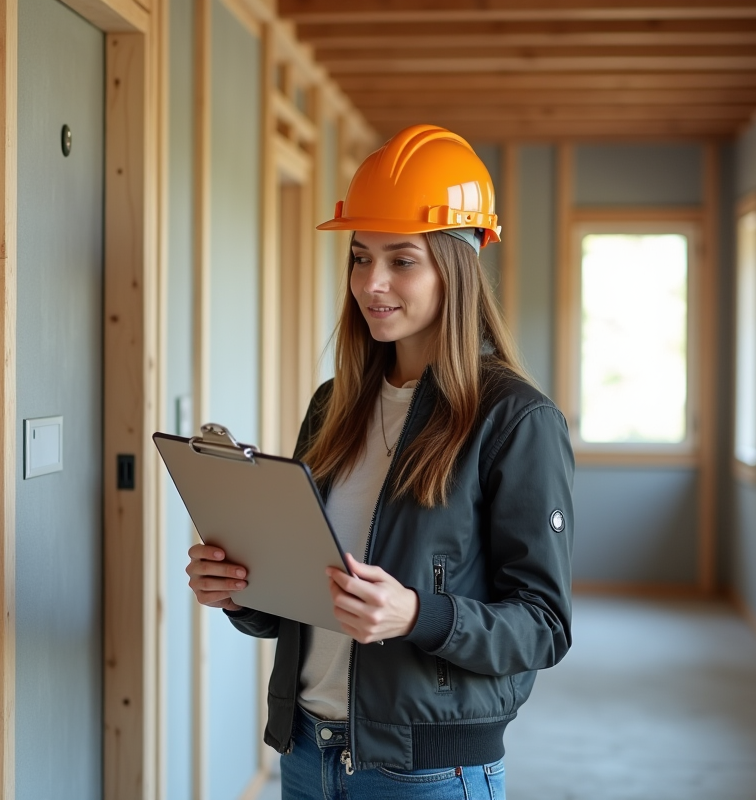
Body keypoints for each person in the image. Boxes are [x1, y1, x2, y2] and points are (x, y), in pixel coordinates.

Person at [186, 124, 574, 799]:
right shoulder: (334, 405)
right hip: (309, 755)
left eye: (402, 260)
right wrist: (239, 591)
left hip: (427, 772)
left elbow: (544, 625)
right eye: (361, 257)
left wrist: (416, 614)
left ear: (454, 267)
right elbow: (310, 594)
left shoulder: (514, 421)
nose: (373, 283)